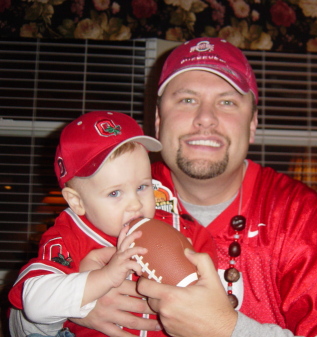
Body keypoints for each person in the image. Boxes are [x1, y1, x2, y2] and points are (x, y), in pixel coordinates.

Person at [19, 38, 317, 337]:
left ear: (253, 123)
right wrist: (77, 304)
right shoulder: (113, 194)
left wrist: (229, 329)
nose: (205, 118)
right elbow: (20, 323)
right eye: (187, 99)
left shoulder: (300, 216)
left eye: (227, 102)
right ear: (158, 120)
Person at [8, 111, 217, 337]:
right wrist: (104, 278)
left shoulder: (180, 228)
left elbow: (216, 302)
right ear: (77, 202)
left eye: (143, 187)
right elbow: (34, 303)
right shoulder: (70, 236)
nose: (135, 204)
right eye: (115, 193)